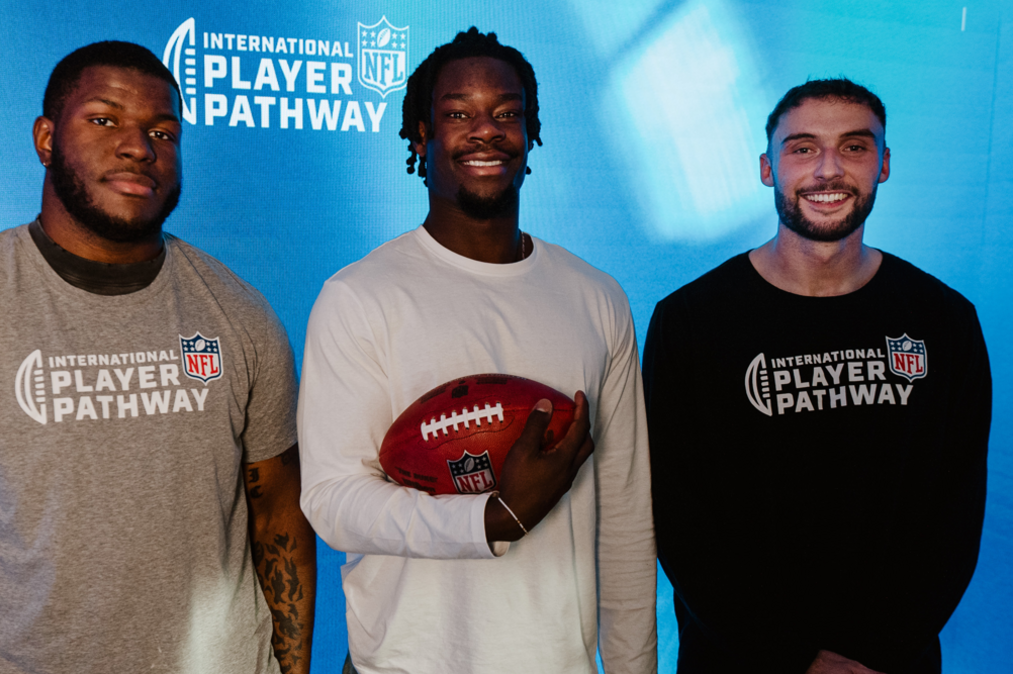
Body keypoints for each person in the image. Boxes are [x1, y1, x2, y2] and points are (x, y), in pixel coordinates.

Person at [0, 41, 315, 674]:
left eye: (162, 131)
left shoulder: (240, 314)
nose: (138, 146)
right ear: (44, 138)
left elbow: (279, 520)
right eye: (103, 119)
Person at [298, 27, 657, 674]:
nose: (485, 131)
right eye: (458, 112)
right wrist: (495, 518)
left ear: (532, 136)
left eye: (507, 113)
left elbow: (626, 515)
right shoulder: (359, 296)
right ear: (420, 137)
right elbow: (332, 501)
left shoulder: (597, 297)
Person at [643, 79, 990, 674]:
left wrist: (877, 652)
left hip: (889, 661)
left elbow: (955, 515)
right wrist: (790, 656)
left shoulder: (943, 320)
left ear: (883, 164)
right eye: (802, 148)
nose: (828, 170)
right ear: (766, 167)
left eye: (854, 147)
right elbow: (677, 516)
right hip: (738, 660)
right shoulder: (690, 322)